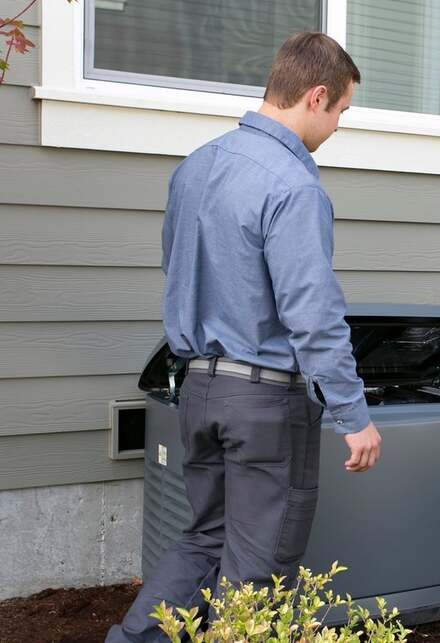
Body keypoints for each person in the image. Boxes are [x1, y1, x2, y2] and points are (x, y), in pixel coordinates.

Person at [107, 33, 382, 642]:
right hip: (264, 403)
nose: (339, 125)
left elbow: (176, 270)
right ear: (316, 97)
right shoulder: (294, 185)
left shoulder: (195, 168)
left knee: (205, 538)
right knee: (258, 567)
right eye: (341, 111)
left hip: (198, 389)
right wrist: (352, 412)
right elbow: (311, 311)